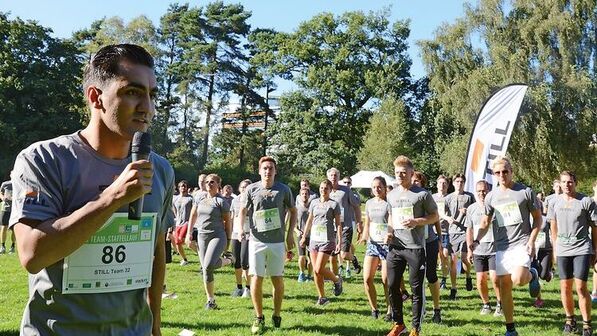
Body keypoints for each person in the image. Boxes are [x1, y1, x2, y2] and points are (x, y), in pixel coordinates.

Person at [9, 44, 174, 335]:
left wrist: (155, 324)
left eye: (152, 94)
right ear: (96, 97)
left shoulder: (160, 169)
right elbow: (32, 255)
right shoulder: (43, 160)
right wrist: (112, 197)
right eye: (133, 92)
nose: (147, 107)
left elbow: (156, 249)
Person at [471, 156, 542, 336]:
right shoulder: (491, 196)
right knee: (504, 287)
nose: (501, 175)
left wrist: (532, 241)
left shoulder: (525, 191)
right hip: (501, 246)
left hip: (521, 243)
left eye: (505, 171)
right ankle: (510, 328)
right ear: (494, 174)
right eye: (497, 172)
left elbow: (538, 218)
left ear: (511, 171)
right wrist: (477, 240)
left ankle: (532, 274)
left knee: (517, 279)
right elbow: (485, 222)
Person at [239, 156, 297, 334]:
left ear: (275, 171)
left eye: (271, 168)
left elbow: (293, 211)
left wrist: (289, 235)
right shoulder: (251, 189)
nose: (267, 171)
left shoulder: (284, 189)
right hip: (256, 241)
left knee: (277, 278)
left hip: (277, 242)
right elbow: (242, 210)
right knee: (256, 277)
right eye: (264, 168)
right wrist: (241, 228)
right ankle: (258, 316)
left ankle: (277, 314)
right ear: (259, 171)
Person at [386, 156, 438, 336]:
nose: (400, 175)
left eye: (403, 172)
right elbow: (391, 216)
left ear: (411, 172)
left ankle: (416, 328)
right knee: (392, 285)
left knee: (416, 289)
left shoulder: (422, 194)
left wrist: (417, 221)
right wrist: (390, 231)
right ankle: (399, 324)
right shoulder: (391, 194)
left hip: (415, 247)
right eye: (397, 173)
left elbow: (435, 216)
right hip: (395, 247)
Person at [548, 171, 597, 336]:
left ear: (575, 183)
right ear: (560, 184)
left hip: (582, 248)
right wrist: (555, 248)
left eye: (570, 182)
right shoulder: (554, 202)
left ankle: (587, 324)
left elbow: (595, 228)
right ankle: (570, 320)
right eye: (563, 182)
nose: (567, 185)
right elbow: (553, 227)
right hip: (563, 249)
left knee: (581, 286)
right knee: (565, 286)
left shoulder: (586, 201)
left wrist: (595, 249)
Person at [186, 173, 233, 310]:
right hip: (202, 236)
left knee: (207, 266)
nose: (209, 184)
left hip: (217, 236)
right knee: (207, 271)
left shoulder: (221, 201)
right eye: (207, 182)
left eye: (212, 182)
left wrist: (228, 242)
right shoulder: (199, 198)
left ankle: (229, 260)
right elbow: (193, 215)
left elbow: (227, 223)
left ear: (218, 185)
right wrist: (189, 233)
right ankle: (210, 301)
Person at [300, 179, 343, 306]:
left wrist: (339, 241)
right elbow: (310, 220)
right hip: (314, 239)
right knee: (316, 271)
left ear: (330, 190)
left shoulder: (334, 204)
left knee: (319, 268)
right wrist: (304, 236)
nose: (323, 190)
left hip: (327, 240)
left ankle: (336, 280)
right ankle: (322, 297)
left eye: (326, 188)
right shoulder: (314, 202)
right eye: (321, 188)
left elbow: (339, 224)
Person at [465, 180, 502, 316]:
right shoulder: (471, 209)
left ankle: (500, 304)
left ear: (489, 190)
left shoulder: (495, 206)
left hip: (494, 247)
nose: (482, 193)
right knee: (480, 280)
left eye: (484, 190)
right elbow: (469, 230)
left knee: (494, 278)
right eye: (479, 191)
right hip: (478, 250)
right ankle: (486, 304)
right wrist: (470, 249)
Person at [358, 176, 392, 320]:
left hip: (387, 245)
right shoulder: (369, 203)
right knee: (367, 279)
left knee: (386, 280)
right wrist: (364, 236)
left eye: (379, 187)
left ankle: (390, 310)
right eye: (374, 187)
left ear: (384, 187)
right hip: (373, 245)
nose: (377, 189)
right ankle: (374, 309)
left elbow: (391, 221)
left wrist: (390, 233)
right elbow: (368, 223)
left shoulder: (389, 203)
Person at [412, 171, 443, 324]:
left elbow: (436, 217)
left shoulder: (425, 196)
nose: (414, 183)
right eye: (413, 181)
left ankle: (437, 309)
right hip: (413, 242)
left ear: (422, 182)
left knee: (431, 275)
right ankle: (420, 309)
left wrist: (440, 238)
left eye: (417, 181)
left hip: (429, 241)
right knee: (417, 278)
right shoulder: (407, 196)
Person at [327, 168, 362, 277]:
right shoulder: (325, 190)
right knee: (332, 256)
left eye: (335, 175)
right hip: (331, 227)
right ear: (328, 177)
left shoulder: (346, 190)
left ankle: (353, 258)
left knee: (344, 255)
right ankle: (336, 280)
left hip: (345, 226)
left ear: (339, 177)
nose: (333, 177)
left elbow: (356, 207)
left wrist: (359, 222)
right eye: (331, 175)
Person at [445, 173, 475, 300]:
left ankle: (468, 275)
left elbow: (475, 210)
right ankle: (453, 287)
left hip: (466, 231)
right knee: (452, 261)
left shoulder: (469, 196)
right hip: (453, 232)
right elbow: (442, 212)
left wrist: (467, 213)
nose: (459, 183)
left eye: (462, 181)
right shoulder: (449, 197)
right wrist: (447, 218)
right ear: (453, 183)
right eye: (457, 181)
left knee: (464, 258)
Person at [231, 179, 252, 298]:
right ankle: (239, 287)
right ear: (239, 188)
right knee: (236, 261)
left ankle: (248, 288)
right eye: (242, 187)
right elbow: (233, 216)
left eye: (247, 187)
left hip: (248, 233)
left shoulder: (252, 200)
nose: (244, 189)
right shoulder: (235, 201)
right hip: (235, 233)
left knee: (245, 261)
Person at [433, 175, 451, 290]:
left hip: (446, 231)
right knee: (435, 256)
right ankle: (433, 279)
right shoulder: (432, 197)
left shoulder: (450, 198)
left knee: (444, 256)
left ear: (448, 185)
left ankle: (444, 280)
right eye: (440, 183)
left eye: (444, 183)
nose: (442, 185)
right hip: (433, 231)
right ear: (437, 184)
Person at [171, 180, 194, 265]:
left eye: (185, 186)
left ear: (187, 188)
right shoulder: (175, 198)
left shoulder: (190, 198)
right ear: (179, 188)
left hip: (187, 222)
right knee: (177, 242)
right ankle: (184, 259)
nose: (183, 188)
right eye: (182, 186)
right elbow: (174, 210)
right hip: (178, 222)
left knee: (181, 239)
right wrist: (176, 218)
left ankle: (200, 251)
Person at [296, 187, 314, 282]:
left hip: (312, 236)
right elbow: (293, 224)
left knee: (311, 257)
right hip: (301, 235)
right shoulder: (297, 208)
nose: (304, 195)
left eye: (306, 194)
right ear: (300, 195)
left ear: (309, 195)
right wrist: (297, 231)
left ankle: (309, 276)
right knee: (301, 256)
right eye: (302, 194)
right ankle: (301, 273)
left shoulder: (313, 207)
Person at [0, 174, 15, 254]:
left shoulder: (19, 183)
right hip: (5, 208)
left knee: (14, 229)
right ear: (10, 175)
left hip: (15, 209)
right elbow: (1, 192)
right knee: (3, 227)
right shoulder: (5, 184)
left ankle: (13, 246)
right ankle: (2, 246)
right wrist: (2, 198)